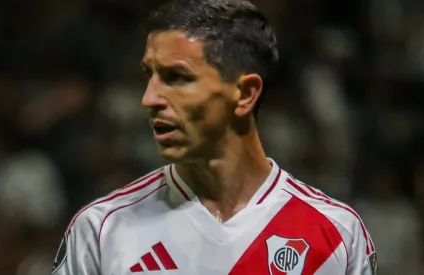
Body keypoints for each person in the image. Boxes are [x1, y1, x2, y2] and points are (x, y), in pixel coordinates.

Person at [52, 0, 377, 274]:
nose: (149, 98)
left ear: (245, 93)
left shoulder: (336, 235)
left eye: (176, 77)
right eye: (149, 75)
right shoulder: (101, 230)